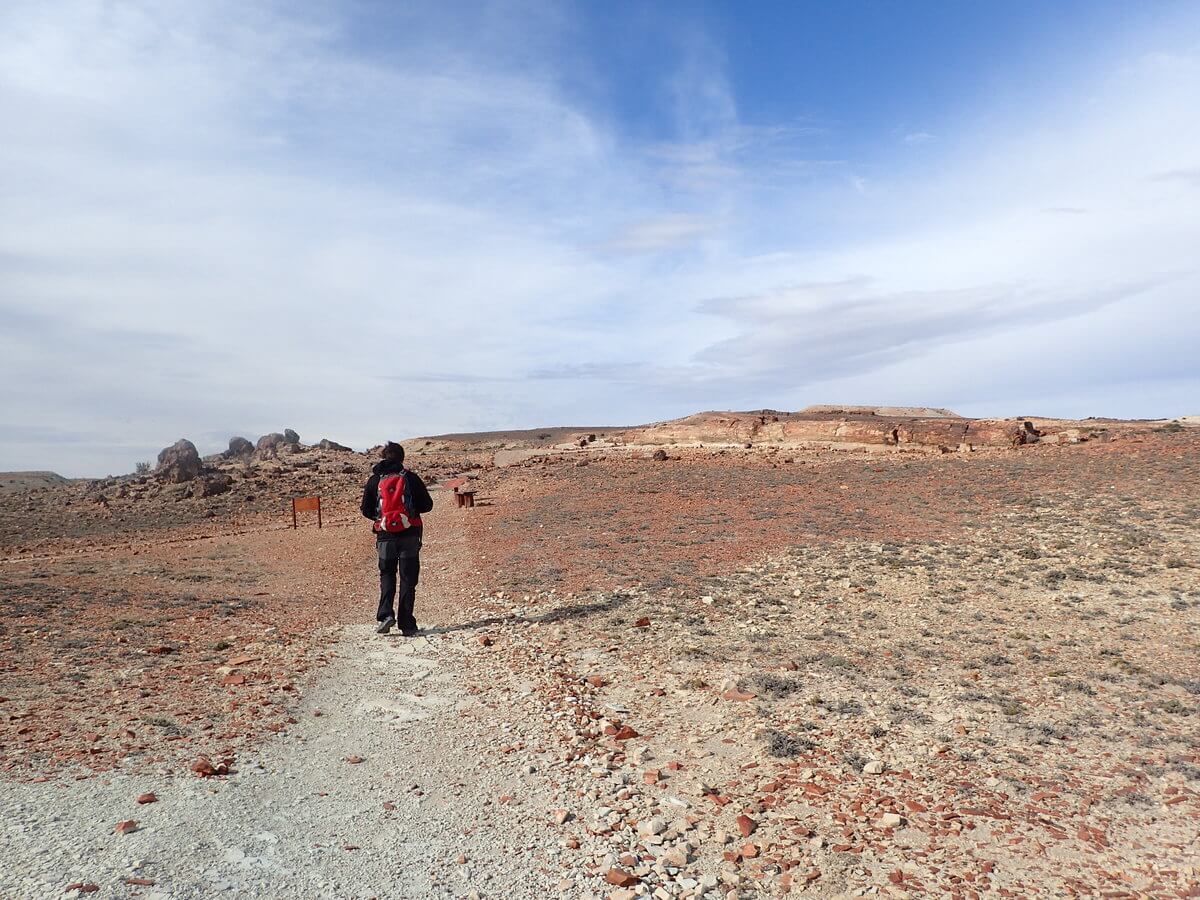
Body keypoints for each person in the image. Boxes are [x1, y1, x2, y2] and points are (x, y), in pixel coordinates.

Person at [360, 442, 433, 635]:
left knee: (387, 575)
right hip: (409, 535)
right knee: (408, 578)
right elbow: (427, 505)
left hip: (385, 537)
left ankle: (385, 616)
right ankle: (407, 624)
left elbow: (366, 510)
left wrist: (383, 518)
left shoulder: (374, 480)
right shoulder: (410, 478)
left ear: (384, 457)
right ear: (402, 458)